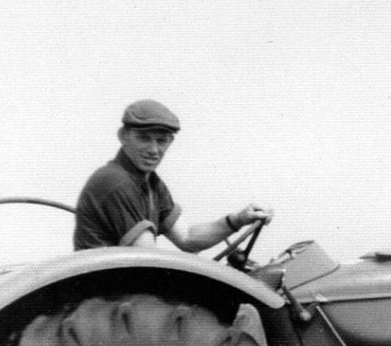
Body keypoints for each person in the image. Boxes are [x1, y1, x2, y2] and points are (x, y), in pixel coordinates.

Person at [74, 99, 272, 252]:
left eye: (162, 141)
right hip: (103, 295)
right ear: (123, 136)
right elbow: (148, 259)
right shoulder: (116, 182)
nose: (153, 149)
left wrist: (238, 219)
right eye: (144, 139)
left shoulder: (150, 182)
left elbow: (187, 238)